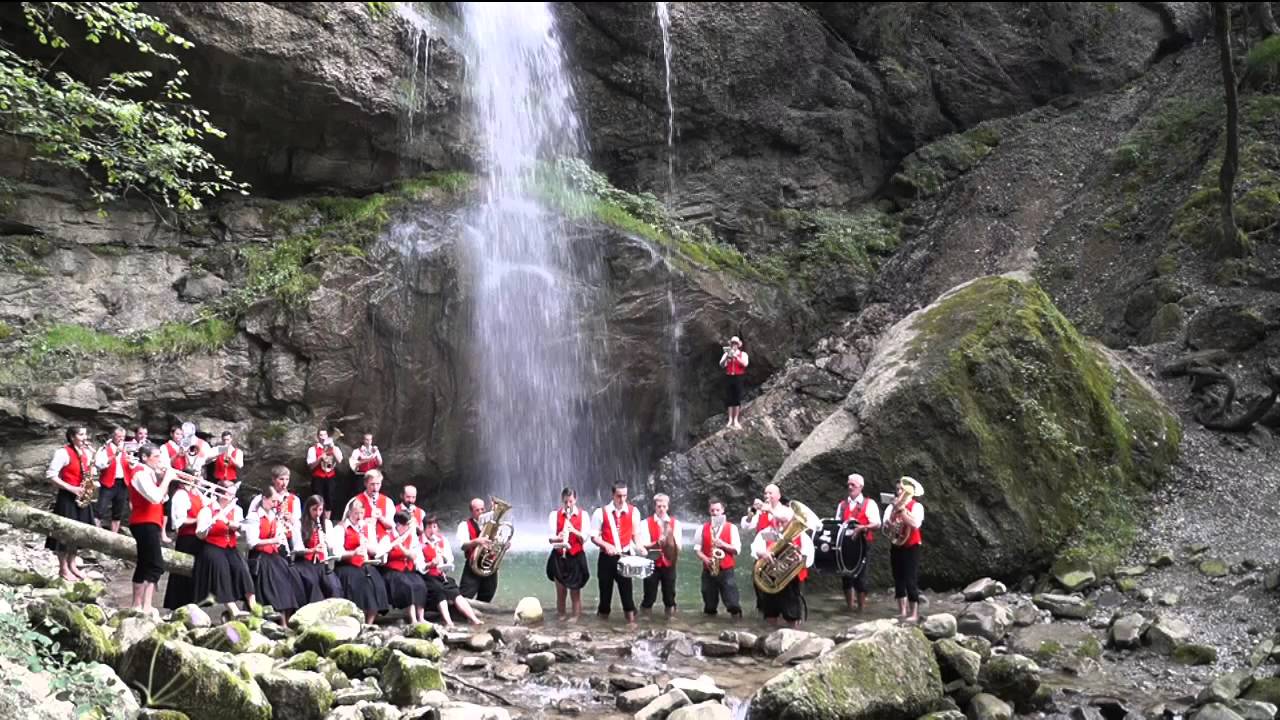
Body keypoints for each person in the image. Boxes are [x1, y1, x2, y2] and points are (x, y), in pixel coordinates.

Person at [126, 444, 181, 615]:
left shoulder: (148, 473)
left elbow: (163, 498)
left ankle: (136, 605)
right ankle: (146, 606)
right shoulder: (140, 473)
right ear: (144, 457)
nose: (159, 460)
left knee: (144, 564)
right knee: (155, 565)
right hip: (144, 522)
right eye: (156, 456)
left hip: (149, 522)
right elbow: (155, 497)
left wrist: (163, 478)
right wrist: (167, 479)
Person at [192, 477, 256, 614]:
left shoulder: (236, 509)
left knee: (242, 569)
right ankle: (234, 610)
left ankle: (254, 607)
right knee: (221, 569)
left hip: (230, 547)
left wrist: (231, 524)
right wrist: (208, 526)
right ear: (223, 494)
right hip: (212, 546)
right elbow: (200, 534)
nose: (233, 497)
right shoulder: (207, 510)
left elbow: (240, 529)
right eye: (231, 494)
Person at [245, 487, 307, 624]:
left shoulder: (273, 515)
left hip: (273, 555)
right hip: (260, 556)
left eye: (276, 502)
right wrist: (272, 540)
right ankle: (280, 620)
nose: (275, 505)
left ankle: (289, 618)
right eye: (273, 501)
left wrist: (284, 532)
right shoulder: (254, 517)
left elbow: (279, 536)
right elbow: (251, 542)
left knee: (292, 576)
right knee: (276, 580)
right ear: (264, 499)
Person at [45, 426, 95, 582]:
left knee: (79, 534)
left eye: (86, 434)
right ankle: (63, 568)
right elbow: (51, 475)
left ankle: (72, 564)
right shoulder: (62, 453)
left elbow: (90, 472)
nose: (85, 437)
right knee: (64, 534)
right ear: (72, 437)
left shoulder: (87, 452)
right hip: (67, 498)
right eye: (81, 434)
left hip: (82, 497)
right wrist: (71, 488)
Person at [328, 499, 389, 625]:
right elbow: (337, 553)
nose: (359, 517)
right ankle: (356, 622)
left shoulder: (366, 527)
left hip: (363, 564)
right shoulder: (340, 528)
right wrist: (353, 553)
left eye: (361, 513)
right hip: (346, 565)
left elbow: (374, 549)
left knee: (376, 584)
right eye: (356, 513)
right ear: (350, 512)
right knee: (361, 585)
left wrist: (367, 544)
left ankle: (369, 623)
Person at [751, 507, 814, 628]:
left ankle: (794, 635)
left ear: (791, 521)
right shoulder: (766, 532)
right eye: (777, 521)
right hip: (770, 578)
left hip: (791, 579)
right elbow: (755, 549)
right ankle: (769, 634)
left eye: (783, 522)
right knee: (770, 612)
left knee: (792, 613)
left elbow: (809, 557)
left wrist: (800, 559)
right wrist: (763, 553)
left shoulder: (801, 536)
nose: (780, 525)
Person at [591, 483, 643, 624]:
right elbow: (594, 537)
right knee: (604, 597)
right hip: (606, 559)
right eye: (619, 496)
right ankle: (602, 628)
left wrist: (640, 546)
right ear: (613, 495)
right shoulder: (600, 513)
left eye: (624, 496)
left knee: (628, 596)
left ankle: (631, 627)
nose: (622, 499)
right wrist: (606, 545)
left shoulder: (634, 512)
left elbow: (636, 534)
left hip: (625, 557)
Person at [422, 515, 483, 626]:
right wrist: (430, 564)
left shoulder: (442, 540)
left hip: (441, 575)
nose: (432, 530)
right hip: (427, 576)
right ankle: (449, 622)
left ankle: (474, 619)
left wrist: (443, 557)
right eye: (429, 527)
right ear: (424, 529)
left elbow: (450, 559)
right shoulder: (420, 542)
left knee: (455, 593)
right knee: (439, 590)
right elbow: (418, 565)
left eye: (434, 527)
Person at [163, 466, 207, 610]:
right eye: (196, 475)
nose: (199, 479)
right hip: (187, 538)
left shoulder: (197, 493)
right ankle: (178, 605)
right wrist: (198, 520)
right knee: (182, 571)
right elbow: (179, 521)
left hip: (198, 537)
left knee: (195, 571)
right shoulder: (181, 495)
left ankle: (193, 603)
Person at [837, 473, 881, 613]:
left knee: (861, 578)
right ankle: (850, 607)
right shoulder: (842, 505)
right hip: (845, 546)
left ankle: (861, 609)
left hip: (862, 545)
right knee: (846, 577)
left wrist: (863, 527)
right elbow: (837, 525)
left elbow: (877, 524)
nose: (850, 487)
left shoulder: (870, 504)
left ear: (861, 487)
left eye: (853, 485)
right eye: (849, 485)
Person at [884, 476, 925, 624]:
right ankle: (902, 611)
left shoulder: (917, 507)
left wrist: (902, 511)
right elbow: (885, 528)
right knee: (898, 578)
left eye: (902, 489)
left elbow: (915, 524)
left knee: (910, 579)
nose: (899, 492)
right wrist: (889, 526)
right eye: (898, 489)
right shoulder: (891, 507)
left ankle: (914, 613)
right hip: (897, 545)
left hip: (911, 546)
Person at [546, 488, 590, 621]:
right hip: (559, 556)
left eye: (570, 501)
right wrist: (558, 537)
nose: (568, 505)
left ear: (575, 500)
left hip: (576, 556)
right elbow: (550, 539)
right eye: (565, 502)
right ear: (562, 500)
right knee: (560, 592)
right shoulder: (554, 515)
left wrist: (574, 530)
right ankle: (561, 616)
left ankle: (575, 617)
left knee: (575, 592)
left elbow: (584, 538)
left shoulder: (583, 515)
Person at [695, 498, 742, 618]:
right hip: (708, 569)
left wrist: (723, 544)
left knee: (733, 603)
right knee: (709, 605)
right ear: (709, 511)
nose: (715, 513)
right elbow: (697, 550)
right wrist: (706, 560)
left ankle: (737, 624)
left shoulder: (732, 528)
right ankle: (711, 626)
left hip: (726, 570)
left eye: (717, 510)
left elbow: (737, 550)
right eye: (712, 510)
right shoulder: (702, 528)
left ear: (723, 510)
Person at [382, 511, 431, 625]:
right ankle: (413, 619)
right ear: (398, 525)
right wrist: (393, 546)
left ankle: (421, 618)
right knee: (408, 586)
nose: (409, 528)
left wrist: (406, 551)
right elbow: (381, 554)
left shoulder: (411, 537)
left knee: (420, 584)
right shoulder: (388, 537)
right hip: (393, 571)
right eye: (406, 525)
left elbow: (414, 555)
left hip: (407, 570)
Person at [292, 495, 343, 602]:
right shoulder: (299, 524)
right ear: (308, 509)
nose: (318, 513)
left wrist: (326, 539)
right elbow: (297, 547)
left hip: (321, 563)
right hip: (304, 562)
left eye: (320, 510)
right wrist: (313, 550)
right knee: (312, 584)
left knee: (333, 586)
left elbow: (332, 546)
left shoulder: (327, 523)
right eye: (314, 510)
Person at [641, 493, 681, 616]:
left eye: (664, 506)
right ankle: (645, 620)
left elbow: (679, 547)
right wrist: (656, 543)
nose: (662, 509)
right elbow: (643, 545)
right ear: (655, 507)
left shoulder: (676, 524)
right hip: (651, 563)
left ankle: (670, 620)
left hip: (669, 564)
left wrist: (669, 542)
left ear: (668, 507)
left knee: (670, 597)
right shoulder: (645, 523)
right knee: (649, 597)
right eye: (659, 506)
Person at [248, 466, 303, 548]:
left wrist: (291, 519)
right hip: (266, 541)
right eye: (281, 479)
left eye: (287, 479)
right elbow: (250, 520)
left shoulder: (295, 499)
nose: (284, 483)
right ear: (273, 479)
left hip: (287, 539)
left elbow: (298, 522)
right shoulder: (260, 498)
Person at [457, 497, 499, 603]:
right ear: (471, 512)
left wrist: (504, 545)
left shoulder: (492, 525)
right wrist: (477, 541)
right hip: (473, 565)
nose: (481, 512)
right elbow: (463, 545)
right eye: (477, 510)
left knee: (488, 595)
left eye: (482, 509)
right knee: (466, 595)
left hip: (489, 564)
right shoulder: (464, 525)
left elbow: (497, 543)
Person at [93, 426, 132, 535]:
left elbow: (132, 464)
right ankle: (96, 533)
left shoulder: (127, 448)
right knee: (100, 510)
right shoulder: (104, 448)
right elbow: (99, 464)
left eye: (123, 437)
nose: (121, 439)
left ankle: (114, 536)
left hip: (123, 483)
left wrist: (131, 462)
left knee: (118, 512)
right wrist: (115, 455)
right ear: (113, 436)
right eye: (119, 436)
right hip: (108, 482)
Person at [346, 469, 394, 540]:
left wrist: (381, 518)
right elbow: (347, 525)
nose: (375, 488)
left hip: (382, 542)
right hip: (361, 541)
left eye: (378, 484)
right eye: (372, 484)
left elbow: (391, 526)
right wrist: (364, 522)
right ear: (365, 483)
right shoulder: (355, 501)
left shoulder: (388, 501)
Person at [307, 429, 343, 521]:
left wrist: (333, 448)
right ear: (317, 437)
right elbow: (311, 466)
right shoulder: (312, 449)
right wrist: (320, 458)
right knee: (318, 499)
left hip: (330, 476)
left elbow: (339, 460)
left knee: (330, 499)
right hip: (318, 478)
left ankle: (327, 521)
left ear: (327, 436)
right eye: (321, 435)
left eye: (324, 435)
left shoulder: (334, 448)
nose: (323, 437)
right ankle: (317, 519)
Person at [719, 336, 749, 430]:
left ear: (738, 345)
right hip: (729, 377)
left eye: (735, 343)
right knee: (729, 398)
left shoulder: (743, 354)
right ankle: (730, 419)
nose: (734, 345)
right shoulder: (727, 354)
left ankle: (735, 420)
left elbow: (745, 364)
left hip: (738, 377)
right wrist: (726, 358)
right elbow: (721, 365)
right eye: (732, 343)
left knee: (737, 398)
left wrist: (736, 357)